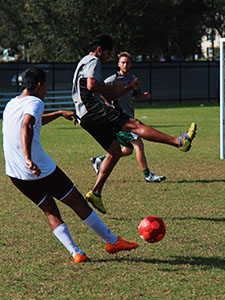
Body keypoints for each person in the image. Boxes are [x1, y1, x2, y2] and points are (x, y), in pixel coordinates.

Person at [2, 67, 139, 265]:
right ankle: (112, 242)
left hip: (15, 174)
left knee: (50, 210)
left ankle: (76, 253)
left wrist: (58, 113)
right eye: (46, 86)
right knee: (77, 202)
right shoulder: (35, 101)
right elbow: (27, 125)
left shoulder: (11, 104)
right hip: (39, 169)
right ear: (40, 85)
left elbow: (32, 121)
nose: (46, 90)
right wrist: (28, 157)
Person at [72, 34, 197, 215]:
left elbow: (108, 93)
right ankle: (179, 142)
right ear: (100, 50)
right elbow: (91, 85)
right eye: (107, 53)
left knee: (115, 152)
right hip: (92, 110)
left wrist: (128, 88)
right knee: (135, 125)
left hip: (84, 116)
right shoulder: (93, 60)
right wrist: (109, 89)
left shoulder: (83, 61)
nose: (108, 57)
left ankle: (96, 192)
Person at [90, 51, 166, 183]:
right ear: (118, 64)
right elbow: (100, 91)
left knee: (127, 150)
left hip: (129, 118)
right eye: (123, 62)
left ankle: (99, 159)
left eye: (127, 62)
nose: (125, 64)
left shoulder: (132, 79)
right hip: (119, 120)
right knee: (138, 144)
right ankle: (148, 175)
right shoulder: (112, 80)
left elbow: (135, 96)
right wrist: (108, 105)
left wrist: (143, 96)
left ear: (130, 64)